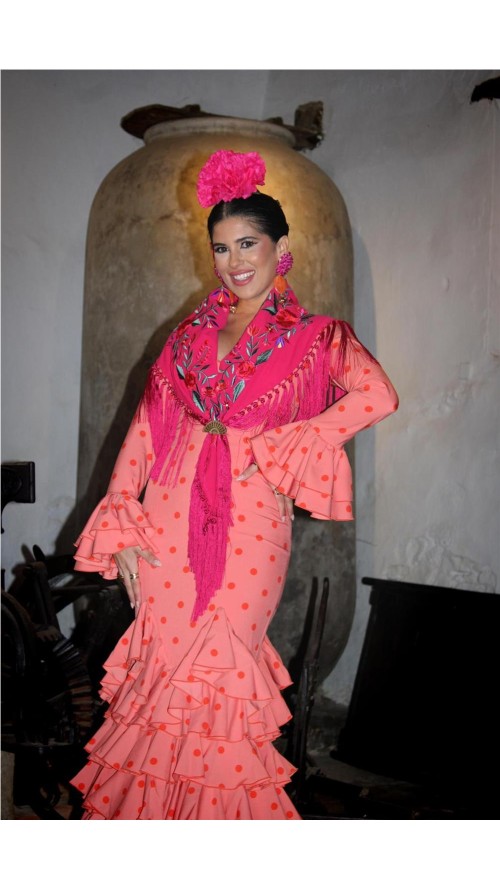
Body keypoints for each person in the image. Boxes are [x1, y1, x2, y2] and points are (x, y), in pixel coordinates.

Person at [70, 149, 398, 819]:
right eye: (220, 247)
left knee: (220, 675)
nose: (232, 260)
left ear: (281, 247)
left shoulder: (318, 336)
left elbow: (377, 395)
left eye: (247, 242)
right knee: (158, 680)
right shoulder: (187, 335)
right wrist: (122, 519)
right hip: (164, 519)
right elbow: (144, 428)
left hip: (251, 527)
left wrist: (290, 442)